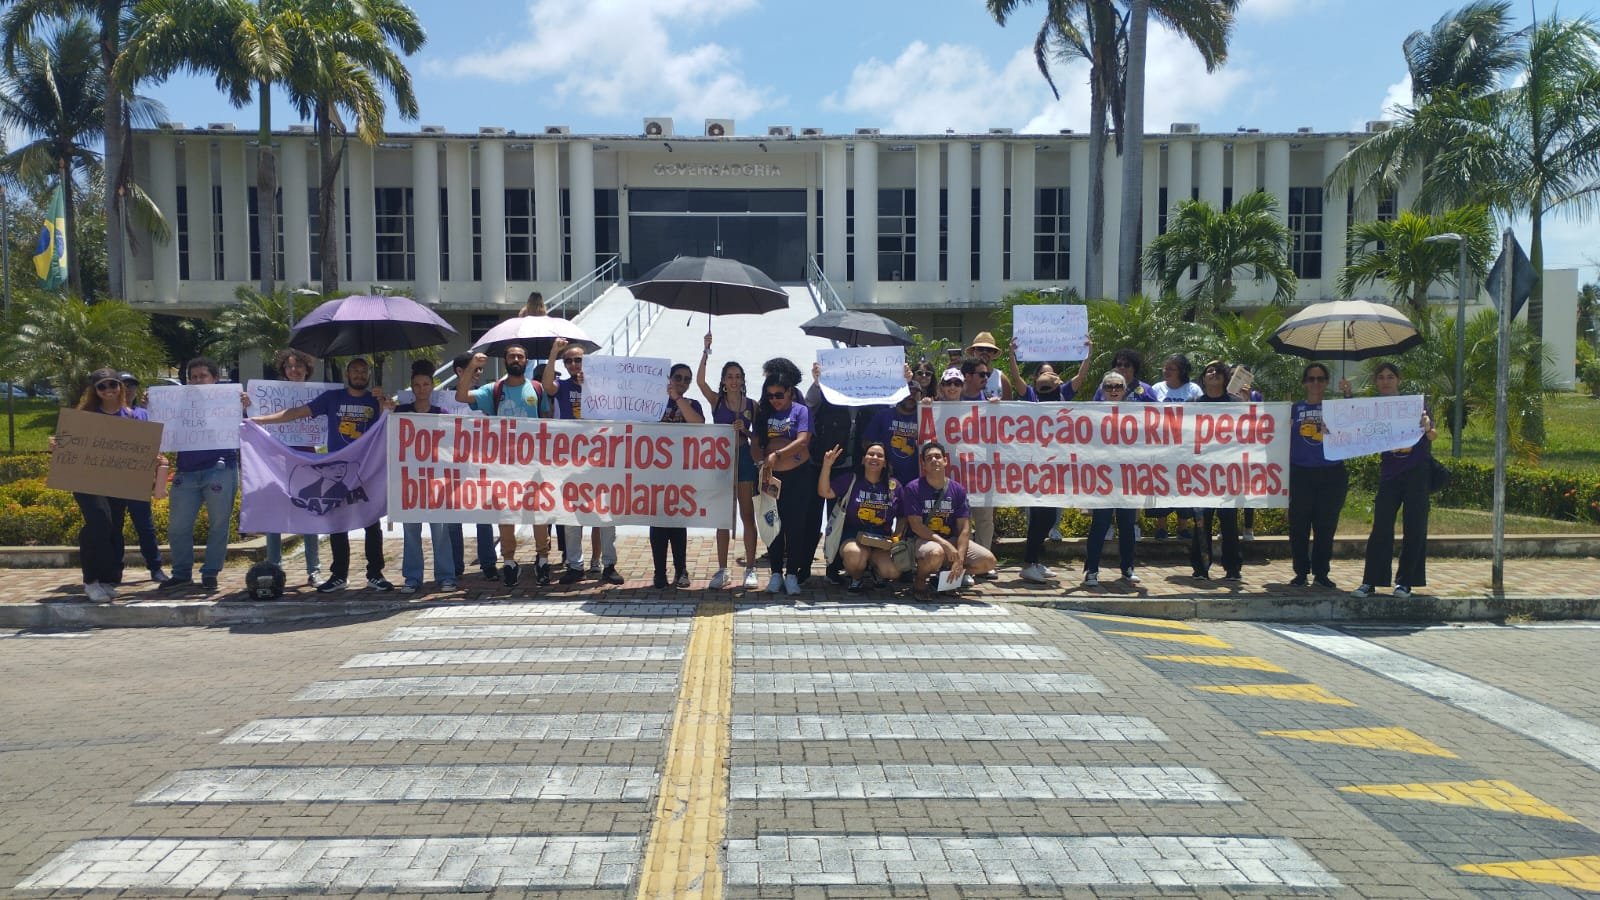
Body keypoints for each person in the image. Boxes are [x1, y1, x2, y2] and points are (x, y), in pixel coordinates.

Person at [250, 357, 393, 593]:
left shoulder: (375, 400)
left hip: (367, 470)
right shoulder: (332, 398)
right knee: (337, 523)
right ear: (347, 374)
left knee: (371, 522)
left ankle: (375, 574)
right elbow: (297, 413)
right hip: (336, 470)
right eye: (354, 371)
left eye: (363, 371)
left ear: (368, 375)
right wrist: (259, 420)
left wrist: (383, 405)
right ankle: (339, 575)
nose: (359, 375)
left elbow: (387, 426)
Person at [455, 344, 544, 587]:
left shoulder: (536, 388)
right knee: (506, 514)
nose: (516, 359)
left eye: (521, 355)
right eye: (512, 356)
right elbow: (461, 396)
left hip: (534, 462)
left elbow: (549, 422)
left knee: (538, 512)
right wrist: (472, 366)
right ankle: (509, 561)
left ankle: (543, 558)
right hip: (503, 465)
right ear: (505, 360)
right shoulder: (492, 390)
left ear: (527, 360)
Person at [543, 337, 625, 586]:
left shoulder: (603, 387)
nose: (573, 365)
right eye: (568, 361)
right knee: (571, 513)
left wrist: (591, 385)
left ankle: (609, 564)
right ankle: (575, 565)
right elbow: (547, 385)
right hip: (571, 459)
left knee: (606, 513)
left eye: (578, 360)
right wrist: (553, 353)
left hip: (601, 459)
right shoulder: (563, 386)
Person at [62, 369, 147, 602]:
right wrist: (57, 444)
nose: (108, 390)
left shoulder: (131, 416)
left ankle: (106, 578)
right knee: (99, 521)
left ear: (120, 387)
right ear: (95, 391)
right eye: (102, 386)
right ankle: (90, 581)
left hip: (118, 481)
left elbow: (141, 449)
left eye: (113, 384)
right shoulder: (84, 415)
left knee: (113, 527)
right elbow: (68, 444)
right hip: (87, 481)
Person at [1353, 362, 1437, 599]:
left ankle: (1405, 582)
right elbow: (1353, 427)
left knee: (1415, 527)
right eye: (1381, 377)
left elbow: (1432, 434)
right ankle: (1371, 581)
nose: (1386, 381)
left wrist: (1428, 426)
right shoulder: (1374, 408)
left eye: (1390, 376)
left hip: (1417, 472)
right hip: (1390, 474)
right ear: (1376, 381)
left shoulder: (1415, 404)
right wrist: (1347, 396)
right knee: (1381, 527)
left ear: (1398, 380)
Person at [161, 357, 239, 592]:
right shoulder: (176, 403)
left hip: (220, 469)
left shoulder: (230, 401)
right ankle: (182, 573)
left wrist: (246, 406)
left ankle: (211, 572)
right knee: (178, 527)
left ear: (214, 378)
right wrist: (152, 406)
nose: (197, 381)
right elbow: (161, 424)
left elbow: (251, 423)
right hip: (187, 472)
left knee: (218, 524)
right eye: (193, 377)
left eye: (202, 376)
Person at [697, 335, 759, 589]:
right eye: (729, 376)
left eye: (737, 376)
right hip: (721, 462)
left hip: (744, 460)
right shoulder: (717, 401)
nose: (733, 380)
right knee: (722, 517)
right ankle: (722, 569)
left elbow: (759, 439)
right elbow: (700, 381)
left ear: (743, 380)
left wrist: (746, 430)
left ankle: (751, 568)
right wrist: (706, 350)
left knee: (747, 515)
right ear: (723, 381)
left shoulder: (753, 405)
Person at [901, 440, 996, 600]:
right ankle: (920, 581)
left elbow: (964, 528)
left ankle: (944, 579)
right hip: (923, 540)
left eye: (938, 457)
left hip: (952, 540)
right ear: (923, 464)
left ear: (945, 461)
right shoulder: (913, 488)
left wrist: (959, 557)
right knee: (935, 553)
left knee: (988, 562)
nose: (934, 460)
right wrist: (944, 544)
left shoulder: (957, 489)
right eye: (929, 458)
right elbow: (916, 526)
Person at [260, 349, 323, 586]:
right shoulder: (270, 395)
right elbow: (256, 416)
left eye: (298, 366)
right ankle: (275, 568)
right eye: (289, 367)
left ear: (307, 369)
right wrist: (248, 405)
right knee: (275, 514)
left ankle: (314, 569)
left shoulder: (319, 394)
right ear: (283, 371)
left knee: (309, 513)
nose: (293, 370)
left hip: (306, 459)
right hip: (278, 460)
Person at [394, 360, 457, 593]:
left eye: (425, 384)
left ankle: (446, 576)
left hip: (435, 480)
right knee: (411, 530)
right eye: (417, 385)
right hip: (408, 480)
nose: (421, 388)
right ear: (412, 388)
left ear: (432, 387)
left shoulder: (442, 414)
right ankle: (412, 577)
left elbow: (452, 445)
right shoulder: (400, 413)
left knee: (440, 530)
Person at [1287, 362, 1347, 589]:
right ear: (1304, 383)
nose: (1315, 383)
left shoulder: (1337, 408)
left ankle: (1321, 573)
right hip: (1300, 473)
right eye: (1311, 379)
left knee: (1326, 526)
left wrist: (1348, 395)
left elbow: (1354, 429)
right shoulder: (1293, 410)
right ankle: (1300, 572)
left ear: (1327, 382)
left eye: (1320, 379)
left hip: (1332, 473)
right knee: (1299, 526)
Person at [818, 441, 903, 593]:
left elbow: (903, 516)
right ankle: (857, 578)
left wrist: (896, 537)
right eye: (870, 454)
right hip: (853, 536)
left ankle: (876, 570)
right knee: (855, 557)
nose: (874, 457)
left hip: (881, 539)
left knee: (892, 571)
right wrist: (827, 466)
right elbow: (825, 492)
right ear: (863, 459)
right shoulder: (851, 479)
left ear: (885, 463)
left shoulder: (894, 485)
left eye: (879, 455)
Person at [756, 370, 812, 595]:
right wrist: (761, 462)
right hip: (771, 478)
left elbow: (803, 440)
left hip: (798, 476)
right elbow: (757, 442)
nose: (775, 400)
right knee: (773, 524)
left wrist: (778, 455)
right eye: (770, 396)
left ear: (790, 392)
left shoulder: (801, 411)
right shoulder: (764, 412)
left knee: (795, 526)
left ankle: (792, 575)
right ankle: (776, 573)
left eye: (779, 395)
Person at [1082, 371, 1140, 587]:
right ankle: (1091, 570)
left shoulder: (1136, 414)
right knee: (1100, 524)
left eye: (1118, 386)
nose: (1114, 390)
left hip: (1126, 477)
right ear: (1102, 390)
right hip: (1102, 477)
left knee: (1127, 526)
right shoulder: (1093, 413)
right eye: (1109, 386)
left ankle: (1127, 568)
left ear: (1124, 390)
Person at [1188, 360, 1244, 581]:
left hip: (1228, 472)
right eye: (1209, 371)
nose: (1213, 374)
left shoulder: (1236, 403)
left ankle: (1232, 568)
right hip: (1201, 473)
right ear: (1203, 378)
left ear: (1225, 378)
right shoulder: (1194, 404)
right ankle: (1201, 567)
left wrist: (1249, 405)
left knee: (1229, 521)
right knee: (1202, 522)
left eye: (1218, 371)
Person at [651, 364, 706, 588]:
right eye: (678, 378)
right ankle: (659, 572)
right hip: (653, 471)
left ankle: (681, 569)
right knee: (658, 522)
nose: (682, 382)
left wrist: (677, 398)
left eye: (686, 379)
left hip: (682, 473)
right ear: (669, 378)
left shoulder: (693, 404)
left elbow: (698, 423)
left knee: (678, 522)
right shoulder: (652, 402)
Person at [447, 351, 500, 583]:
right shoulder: (445, 399)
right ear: (460, 371)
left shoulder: (484, 396)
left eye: (479, 369)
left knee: (484, 515)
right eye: (474, 369)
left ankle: (488, 564)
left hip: (480, 465)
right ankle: (456, 565)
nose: (478, 373)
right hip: (451, 466)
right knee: (452, 517)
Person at [117, 371, 168, 583]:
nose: (128, 389)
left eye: (132, 385)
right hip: (113, 478)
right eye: (124, 384)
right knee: (113, 527)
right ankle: (114, 570)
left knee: (145, 527)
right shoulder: (108, 414)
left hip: (138, 478)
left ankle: (155, 567)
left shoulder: (143, 413)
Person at [862, 379, 923, 487]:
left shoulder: (926, 416)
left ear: (921, 396)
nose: (910, 396)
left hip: (916, 480)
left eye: (915, 393)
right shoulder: (883, 415)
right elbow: (867, 442)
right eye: (907, 392)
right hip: (885, 478)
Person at [965, 331, 1008, 398]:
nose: (985, 352)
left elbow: (1009, 406)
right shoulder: (963, 377)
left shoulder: (1001, 378)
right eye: (980, 349)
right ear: (974, 351)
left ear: (994, 353)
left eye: (989, 349)